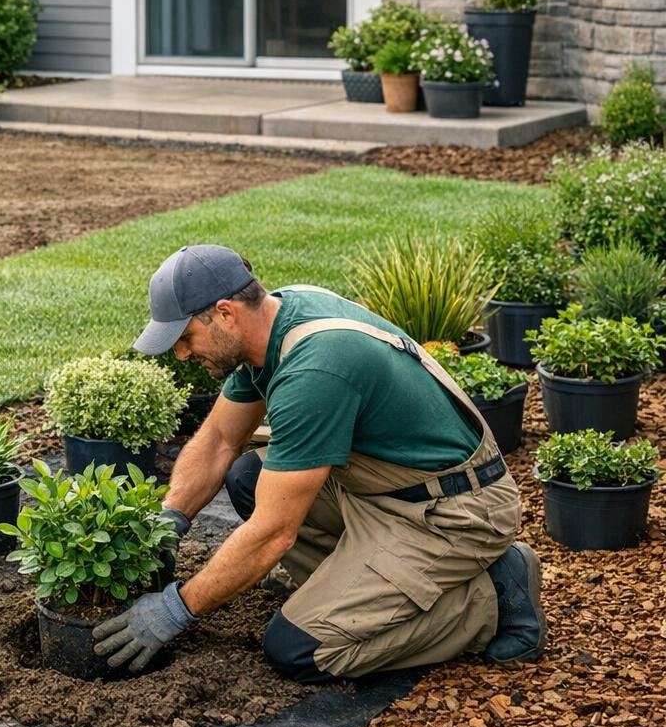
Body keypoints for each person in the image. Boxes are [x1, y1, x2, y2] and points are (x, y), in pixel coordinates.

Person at [93, 244, 546, 682]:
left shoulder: (314, 370)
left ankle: (492, 597)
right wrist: (170, 521)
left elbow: (273, 533)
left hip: (450, 514)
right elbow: (218, 440)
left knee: (299, 649)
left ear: (226, 313)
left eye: (185, 337)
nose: (182, 354)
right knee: (249, 476)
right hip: (382, 492)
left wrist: (176, 609)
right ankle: (368, 588)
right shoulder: (274, 318)